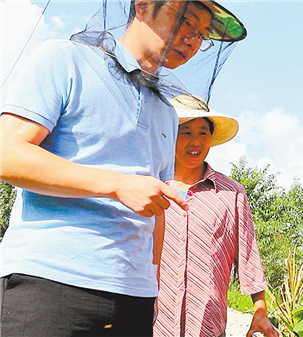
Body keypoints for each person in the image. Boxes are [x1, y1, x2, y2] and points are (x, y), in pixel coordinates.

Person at [0, 1, 246, 335]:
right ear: (143, 6)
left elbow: (156, 209)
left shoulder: (167, 113)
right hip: (49, 282)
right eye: (186, 22)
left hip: (135, 300)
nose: (193, 40)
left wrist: (154, 283)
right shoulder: (64, 59)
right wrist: (116, 184)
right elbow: (7, 154)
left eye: (203, 35)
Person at [153, 94, 279, 337]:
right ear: (170, 136)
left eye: (203, 133)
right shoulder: (153, 187)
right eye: (186, 132)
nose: (195, 141)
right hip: (153, 321)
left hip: (208, 324)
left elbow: (248, 255)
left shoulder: (231, 193)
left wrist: (260, 310)